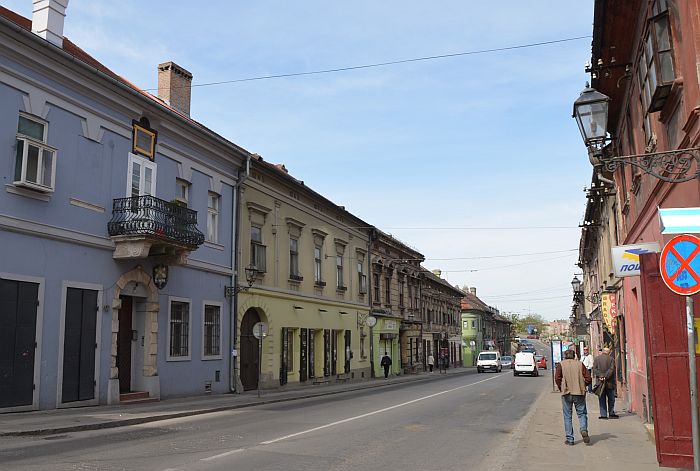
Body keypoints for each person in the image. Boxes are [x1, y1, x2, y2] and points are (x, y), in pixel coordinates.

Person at [555, 348, 592, 445]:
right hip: (579, 392)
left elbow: (557, 378)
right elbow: (588, 378)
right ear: (574, 355)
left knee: (567, 416)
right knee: (582, 413)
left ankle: (570, 439)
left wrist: (561, 387)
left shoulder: (561, 364)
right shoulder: (580, 364)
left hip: (566, 393)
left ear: (565, 355)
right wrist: (583, 385)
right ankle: (583, 429)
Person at [593, 347, 618, 419]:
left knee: (601, 398)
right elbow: (611, 369)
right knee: (611, 398)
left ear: (603, 351)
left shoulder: (597, 359)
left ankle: (603, 414)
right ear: (609, 352)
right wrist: (605, 377)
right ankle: (611, 413)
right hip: (609, 382)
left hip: (600, 382)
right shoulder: (611, 359)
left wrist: (601, 376)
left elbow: (595, 369)